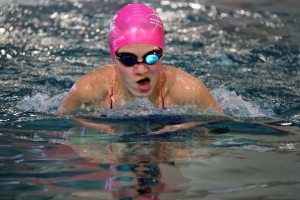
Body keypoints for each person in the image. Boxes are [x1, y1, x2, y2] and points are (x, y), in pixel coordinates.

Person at [58, 3, 223, 114]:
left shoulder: (188, 91)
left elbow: (220, 135)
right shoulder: (88, 91)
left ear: (163, 53)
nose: (142, 69)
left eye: (151, 57)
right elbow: (62, 136)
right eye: (129, 59)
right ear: (114, 57)